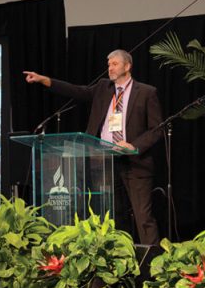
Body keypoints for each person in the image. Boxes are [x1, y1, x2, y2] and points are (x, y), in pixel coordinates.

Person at [23, 49, 163, 245]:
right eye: (108, 64)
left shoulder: (147, 92)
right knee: (113, 216)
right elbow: (76, 91)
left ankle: (155, 265)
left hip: (134, 162)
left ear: (127, 66)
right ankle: (119, 259)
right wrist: (45, 80)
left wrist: (133, 145)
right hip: (103, 161)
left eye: (114, 64)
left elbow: (156, 129)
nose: (110, 68)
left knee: (143, 218)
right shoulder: (103, 88)